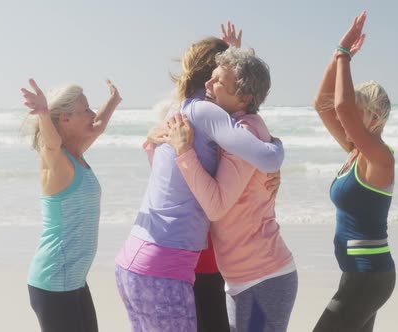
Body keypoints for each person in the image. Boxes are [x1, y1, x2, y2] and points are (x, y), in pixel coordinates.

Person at [115, 37, 285, 331]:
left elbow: (169, 176)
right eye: (218, 73)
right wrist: (275, 144)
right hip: (164, 267)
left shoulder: (177, 111)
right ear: (211, 74)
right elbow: (269, 159)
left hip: (132, 262)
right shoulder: (204, 112)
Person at [166, 47, 297, 332]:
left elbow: (216, 206)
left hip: (263, 277)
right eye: (210, 78)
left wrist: (184, 152)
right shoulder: (238, 129)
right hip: (245, 277)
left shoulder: (247, 133)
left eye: (217, 83)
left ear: (245, 98)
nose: (207, 87)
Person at [312, 11, 396, 332]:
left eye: (358, 108)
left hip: (369, 276)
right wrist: (337, 57)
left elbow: (343, 108)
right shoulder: (355, 152)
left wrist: (345, 52)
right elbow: (323, 104)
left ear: (373, 116)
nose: (346, 113)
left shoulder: (380, 158)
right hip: (356, 274)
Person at [22, 78, 122, 332]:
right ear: (65, 119)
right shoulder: (55, 160)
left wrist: (113, 100)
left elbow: (97, 126)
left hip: (73, 280)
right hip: (54, 281)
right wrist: (44, 114)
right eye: (86, 110)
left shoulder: (76, 155)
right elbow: (52, 143)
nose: (92, 114)